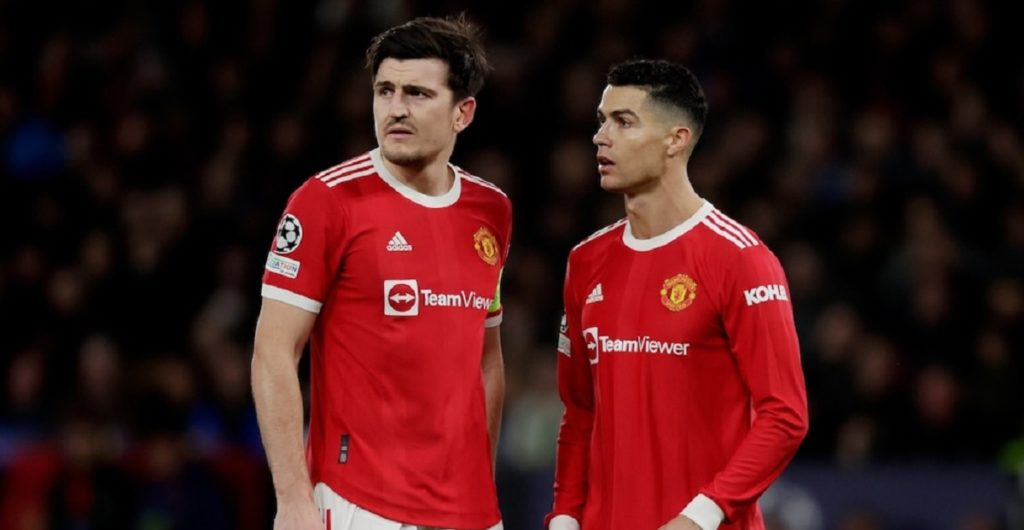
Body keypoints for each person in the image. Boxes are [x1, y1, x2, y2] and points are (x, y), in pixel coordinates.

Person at [251, 15, 510, 530]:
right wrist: (292, 499)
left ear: (463, 113)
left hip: (470, 510)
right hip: (359, 502)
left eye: (417, 94)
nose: (396, 109)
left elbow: (487, 359)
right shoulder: (325, 202)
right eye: (385, 90)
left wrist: (481, 480)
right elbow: (273, 352)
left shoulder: (492, 211)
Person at [546, 59, 808, 530]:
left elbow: (785, 416)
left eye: (623, 122)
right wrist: (565, 515)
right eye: (601, 121)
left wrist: (701, 515)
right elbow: (580, 412)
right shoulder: (585, 261)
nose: (601, 137)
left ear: (676, 139)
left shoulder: (740, 259)